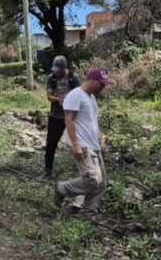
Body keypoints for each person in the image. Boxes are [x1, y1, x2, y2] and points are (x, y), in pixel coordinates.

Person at [53, 67, 112, 220]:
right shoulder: (75, 95)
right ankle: (61, 188)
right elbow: (68, 120)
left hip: (93, 144)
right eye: (101, 83)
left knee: (101, 183)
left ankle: (88, 214)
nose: (103, 87)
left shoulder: (91, 98)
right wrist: (76, 145)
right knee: (93, 180)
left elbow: (92, 123)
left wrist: (100, 143)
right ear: (92, 80)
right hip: (82, 144)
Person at [43, 55, 81, 179]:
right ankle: (48, 170)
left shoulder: (73, 78)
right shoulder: (51, 78)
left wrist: (69, 101)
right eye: (55, 70)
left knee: (79, 143)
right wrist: (58, 99)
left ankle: (82, 170)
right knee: (51, 143)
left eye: (58, 70)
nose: (57, 72)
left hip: (73, 116)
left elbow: (79, 96)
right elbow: (49, 96)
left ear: (65, 67)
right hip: (56, 115)